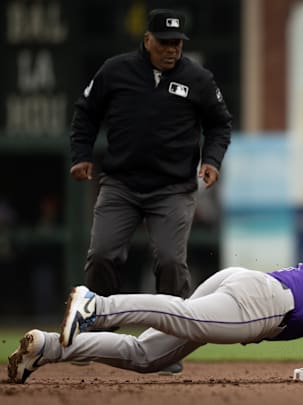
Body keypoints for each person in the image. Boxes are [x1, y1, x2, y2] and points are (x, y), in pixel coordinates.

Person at [7, 224, 303, 384]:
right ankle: (98, 306)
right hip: (262, 304)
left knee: (148, 356)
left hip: (247, 285)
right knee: (183, 317)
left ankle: (48, 348)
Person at [68, 9, 232, 374]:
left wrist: (212, 160)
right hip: (121, 184)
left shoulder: (197, 78)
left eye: (177, 43)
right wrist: (80, 155)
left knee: (172, 262)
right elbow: (86, 113)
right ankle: (100, 329)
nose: (171, 50)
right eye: (164, 42)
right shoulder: (115, 70)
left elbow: (220, 124)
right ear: (147, 40)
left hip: (172, 189)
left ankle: (164, 346)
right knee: (101, 255)